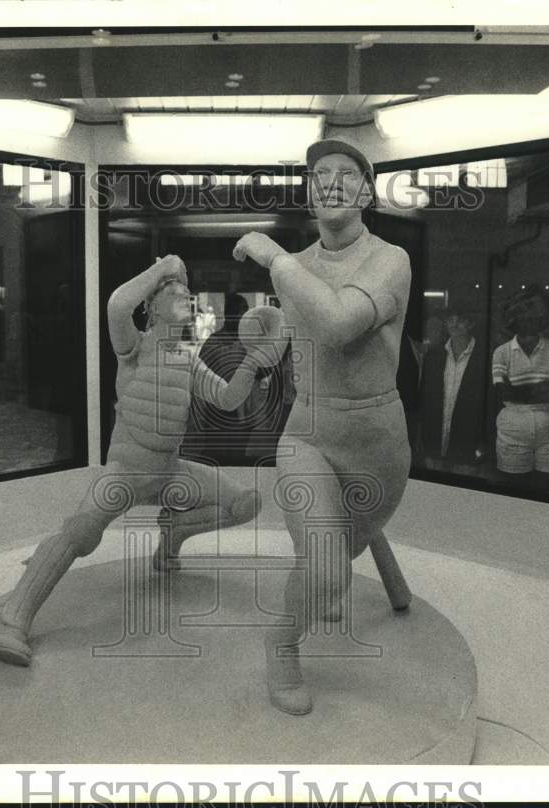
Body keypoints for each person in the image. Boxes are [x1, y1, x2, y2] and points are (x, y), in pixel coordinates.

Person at [0, 255, 265, 666]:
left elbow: (227, 398)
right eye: (175, 292)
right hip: (128, 473)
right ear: (150, 306)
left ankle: (175, 536)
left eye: (188, 293)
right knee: (81, 534)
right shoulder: (134, 346)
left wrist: (255, 361)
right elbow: (117, 305)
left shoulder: (187, 356)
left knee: (244, 504)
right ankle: (10, 620)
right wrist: (163, 267)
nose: (186, 295)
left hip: (170, 473)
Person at [232, 137, 413, 715]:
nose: (329, 181)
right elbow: (307, 334)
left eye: (345, 172)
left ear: (367, 191)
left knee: (340, 553)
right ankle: (282, 643)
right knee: (328, 564)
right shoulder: (300, 266)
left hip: (379, 440)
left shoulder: (391, 259)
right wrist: (267, 331)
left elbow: (339, 325)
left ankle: (345, 568)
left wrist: (273, 257)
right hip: (308, 431)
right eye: (318, 175)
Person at [492, 284, 549, 487]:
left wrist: (520, 390)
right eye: (523, 313)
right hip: (513, 430)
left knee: (548, 491)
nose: (529, 318)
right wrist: (543, 387)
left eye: (535, 313)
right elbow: (503, 392)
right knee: (515, 491)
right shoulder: (502, 352)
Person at [183, 293, 252, 465]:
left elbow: (257, 375)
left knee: (239, 460)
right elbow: (199, 381)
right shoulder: (213, 343)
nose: (241, 318)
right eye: (238, 312)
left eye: (244, 313)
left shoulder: (248, 343)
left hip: (242, 415)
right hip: (217, 414)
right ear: (228, 315)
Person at [420, 309, 487, 473]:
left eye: (461, 320)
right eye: (451, 320)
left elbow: (487, 406)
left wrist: (483, 443)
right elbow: (426, 401)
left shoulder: (484, 358)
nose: (455, 324)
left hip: (467, 445)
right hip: (434, 442)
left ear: (471, 324)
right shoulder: (433, 357)